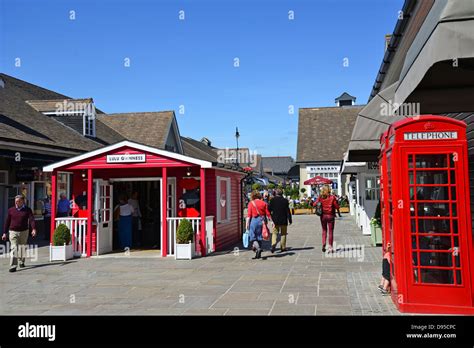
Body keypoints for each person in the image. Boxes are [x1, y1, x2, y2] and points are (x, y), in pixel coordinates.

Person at [2, 195, 37, 272]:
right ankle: (13, 266)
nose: (16, 203)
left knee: (22, 247)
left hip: (24, 231)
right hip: (13, 231)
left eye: (18, 201)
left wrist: (33, 229)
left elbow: (31, 220)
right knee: (14, 248)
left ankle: (21, 261)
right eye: (16, 201)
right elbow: (7, 222)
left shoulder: (27, 210)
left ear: (22, 201)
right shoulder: (11, 210)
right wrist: (4, 233)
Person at [246, 190, 272, 259]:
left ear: (252, 196)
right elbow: (268, 213)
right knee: (260, 237)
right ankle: (258, 255)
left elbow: (248, 215)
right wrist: (272, 221)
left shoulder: (251, 203)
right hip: (262, 221)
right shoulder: (264, 203)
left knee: (253, 237)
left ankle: (258, 248)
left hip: (254, 221)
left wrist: (247, 224)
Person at [315, 185, 340, 253]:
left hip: (323, 216)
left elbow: (314, 204)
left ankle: (323, 243)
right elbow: (337, 206)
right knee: (331, 232)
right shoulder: (332, 197)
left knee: (324, 230)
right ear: (329, 190)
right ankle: (330, 247)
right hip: (330, 216)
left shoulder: (320, 197)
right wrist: (337, 202)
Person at [268, 188, 292, 253]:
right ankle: (283, 247)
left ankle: (273, 244)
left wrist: (270, 217)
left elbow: (269, 209)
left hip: (275, 220)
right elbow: (288, 211)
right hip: (283, 220)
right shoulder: (285, 200)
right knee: (283, 234)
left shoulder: (272, 200)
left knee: (274, 233)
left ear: (276, 193)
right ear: (282, 194)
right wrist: (290, 219)